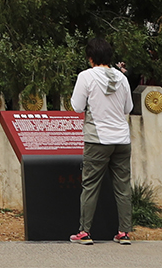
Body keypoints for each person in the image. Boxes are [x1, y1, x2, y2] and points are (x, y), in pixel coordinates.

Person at [68, 37, 135, 247]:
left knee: (90, 185)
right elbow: (128, 109)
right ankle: (124, 232)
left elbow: (77, 107)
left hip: (98, 139)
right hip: (122, 139)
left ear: (90, 58)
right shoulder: (122, 79)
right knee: (123, 186)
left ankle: (85, 232)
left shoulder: (86, 76)